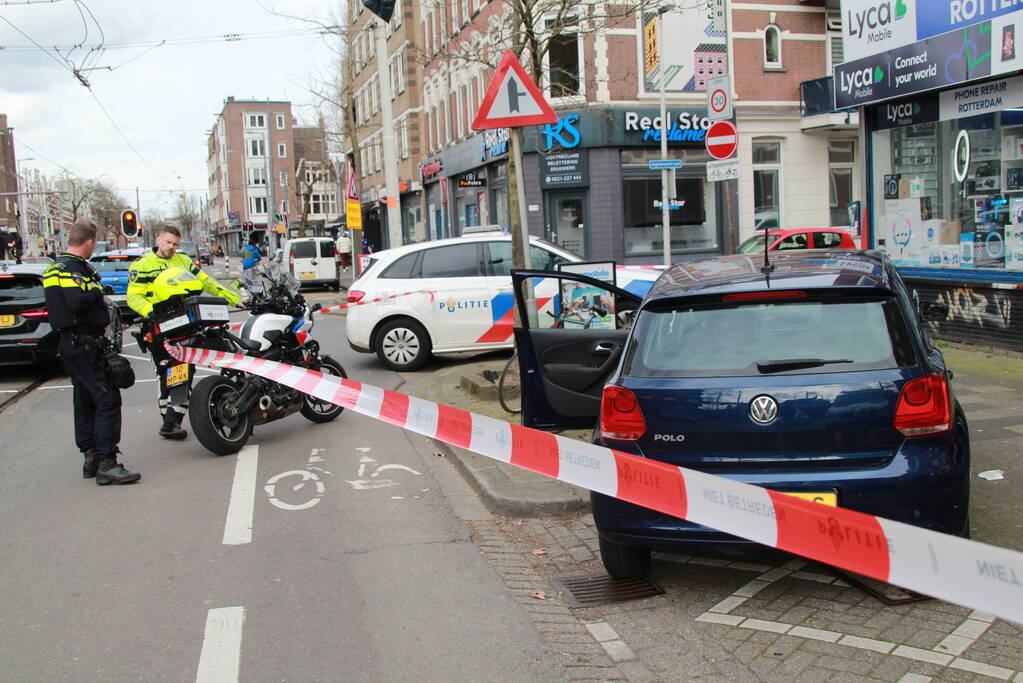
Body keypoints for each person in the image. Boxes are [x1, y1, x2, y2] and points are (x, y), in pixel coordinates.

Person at [43, 220, 140, 485]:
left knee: (84, 399)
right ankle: (107, 462)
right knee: (107, 400)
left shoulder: (54, 268)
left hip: (72, 344)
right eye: (93, 244)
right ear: (89, 242)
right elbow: (76, 301)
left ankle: (91, 457)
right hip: (84, 344)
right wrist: (97, 288)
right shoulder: (73, 269)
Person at [127, 225, 242, 440]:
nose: (171, 247)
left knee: (184, 371)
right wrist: (153, 312)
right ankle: (169, 419)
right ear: (158, 239)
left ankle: (172, 421)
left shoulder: (183, 261)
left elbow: (207, 282)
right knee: (166, 372)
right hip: (158, 327)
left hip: (184, 325)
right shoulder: (142, 266)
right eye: (168, 242)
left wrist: (235, 298)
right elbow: (134, 297)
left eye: (175, 244)